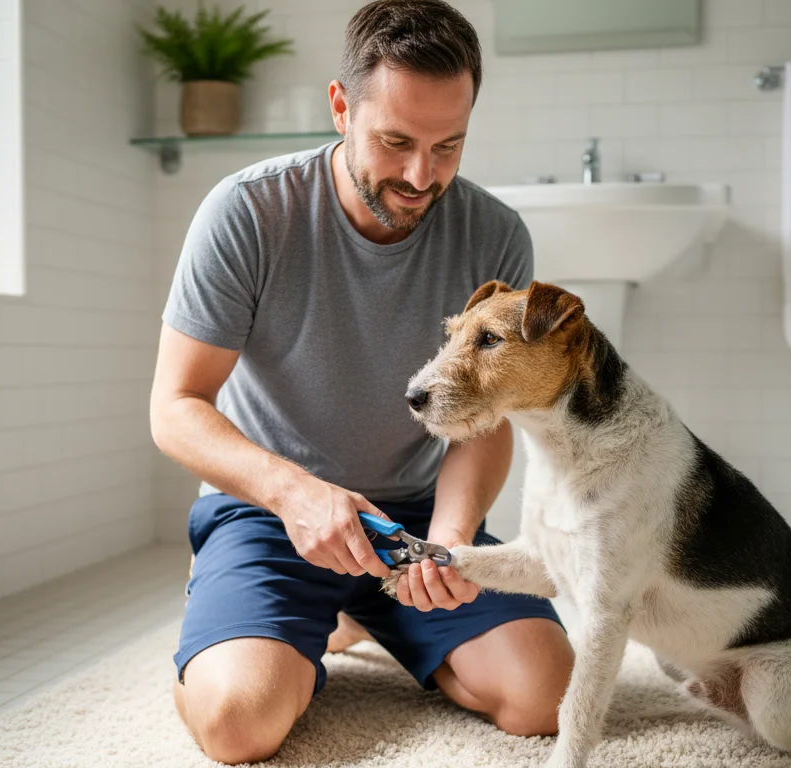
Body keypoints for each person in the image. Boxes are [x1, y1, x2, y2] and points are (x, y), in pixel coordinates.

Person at [148, 0, 574, 763]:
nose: (421, 176)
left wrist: (450, 537)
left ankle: (369, 615)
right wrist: (293, 495)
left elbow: (487, 417)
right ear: (341, 107)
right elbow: (176, 408)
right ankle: (275, 620)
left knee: (546, 697)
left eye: (449, 146)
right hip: (268, 514)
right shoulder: (247, 213)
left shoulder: (496, 233)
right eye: (396, 142)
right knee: (240, 725)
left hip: (413, 520)